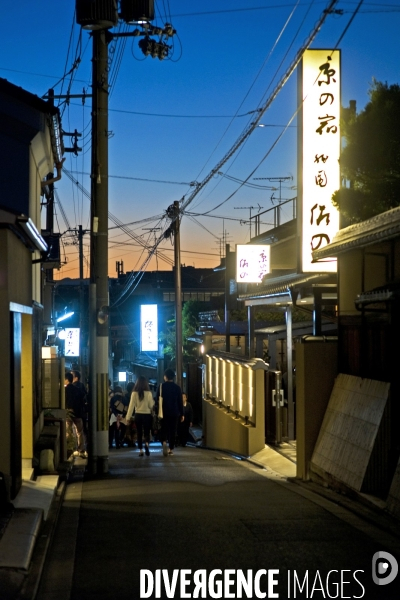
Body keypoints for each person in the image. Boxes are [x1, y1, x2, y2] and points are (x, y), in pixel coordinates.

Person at [156, 369, 184, 456]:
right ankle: (171, 449)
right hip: (174, 412)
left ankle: (164, 441)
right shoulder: (177, 388)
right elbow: (180, 402)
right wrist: (182, 414)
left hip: (163, 412)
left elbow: (157, 399)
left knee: (163, 428)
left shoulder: (161, 386)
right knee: (173, 430)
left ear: (166, 377)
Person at [125, 376, 154, 456]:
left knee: (139, 432)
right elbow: (151, 405)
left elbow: (131, 406)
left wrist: (128, 417)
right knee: (147, 431)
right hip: (147, 415)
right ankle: (147, 444)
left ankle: (141, 450)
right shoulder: (149, 393)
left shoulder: (134, 393)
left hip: (138, 415)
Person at [65, 372, 86, 458]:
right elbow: (82, 400)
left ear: (66, 380)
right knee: (80, 432)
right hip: (78, 413)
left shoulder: (65, 390)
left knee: (68, 431)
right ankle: (81, 449)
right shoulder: (78, 389)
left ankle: (70, 448)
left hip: (68, 413)